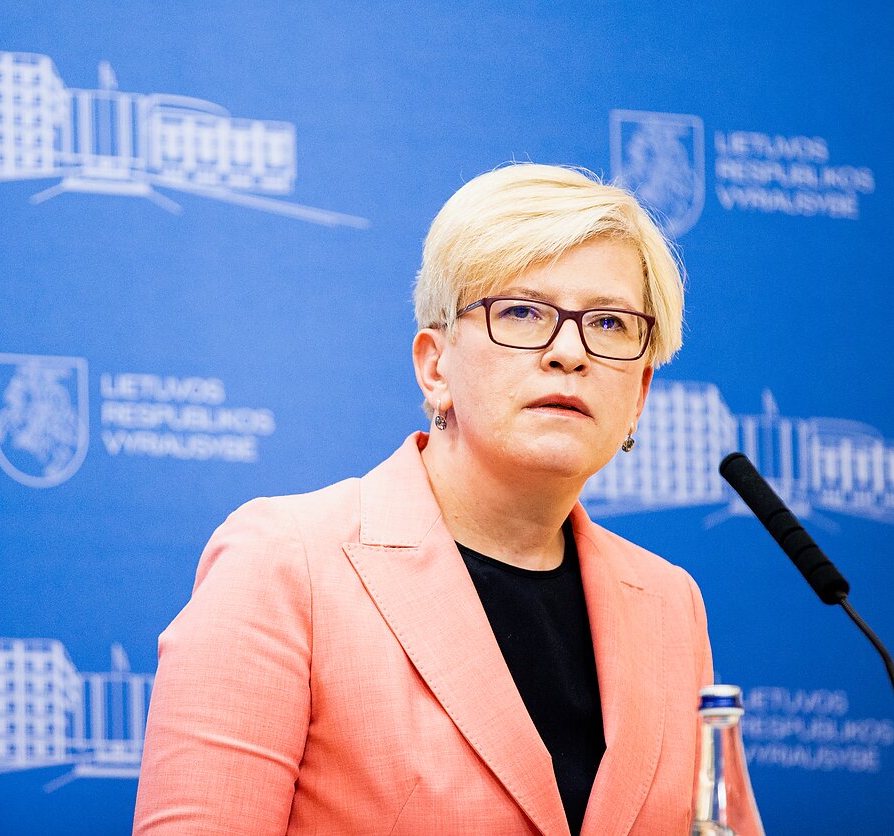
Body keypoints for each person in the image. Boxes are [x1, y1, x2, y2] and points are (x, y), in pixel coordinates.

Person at [133, 163, 712, 835]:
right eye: (522, 312)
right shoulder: (285, 566)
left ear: (639, 393)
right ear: (435, 366)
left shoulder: (670, 604)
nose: (568, 352)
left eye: (609, 323)